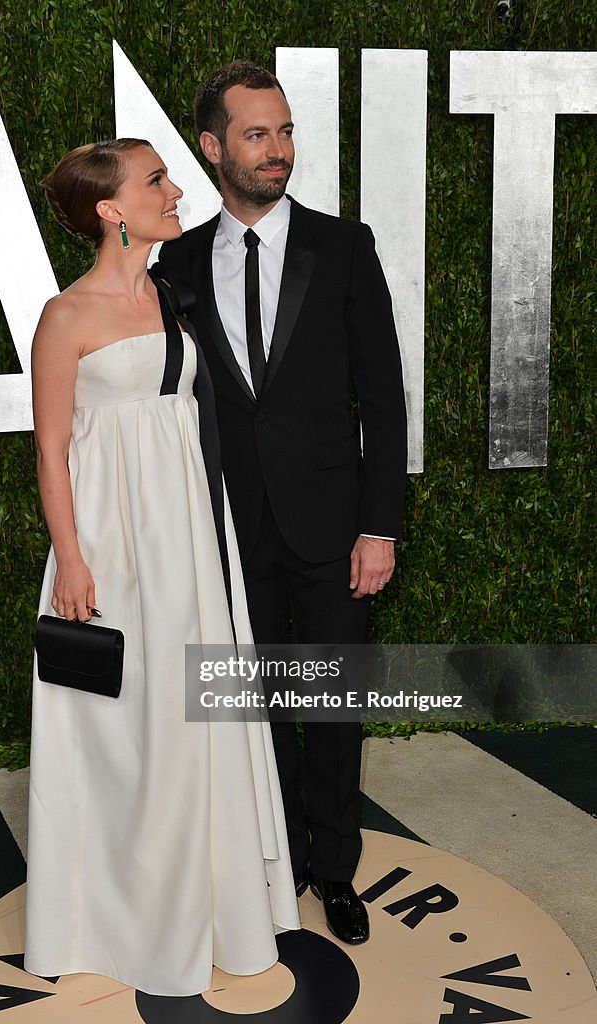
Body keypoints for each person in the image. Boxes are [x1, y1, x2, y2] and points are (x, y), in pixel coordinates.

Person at [24, 138, 299, 997]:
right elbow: (51, 450)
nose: (177, 189)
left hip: (189, 542)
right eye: (155, 182)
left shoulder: (174, 294)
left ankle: (213, 905)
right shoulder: (64, 317)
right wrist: (72, 560)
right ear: (110, 209)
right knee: (121, 734)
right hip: (110, 547)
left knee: (194, 720)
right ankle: (117, 918)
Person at [160, 62, 408, 945]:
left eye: (287, 131)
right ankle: (271, 868)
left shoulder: (344, 246)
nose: (279, 151)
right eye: (258, 134)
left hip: (333, 528)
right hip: (227, 530)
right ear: (212, 146)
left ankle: (334, 870)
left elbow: (382, 397)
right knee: (250, 708)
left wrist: (377, 524)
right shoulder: (177, 262)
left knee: (332, 708)